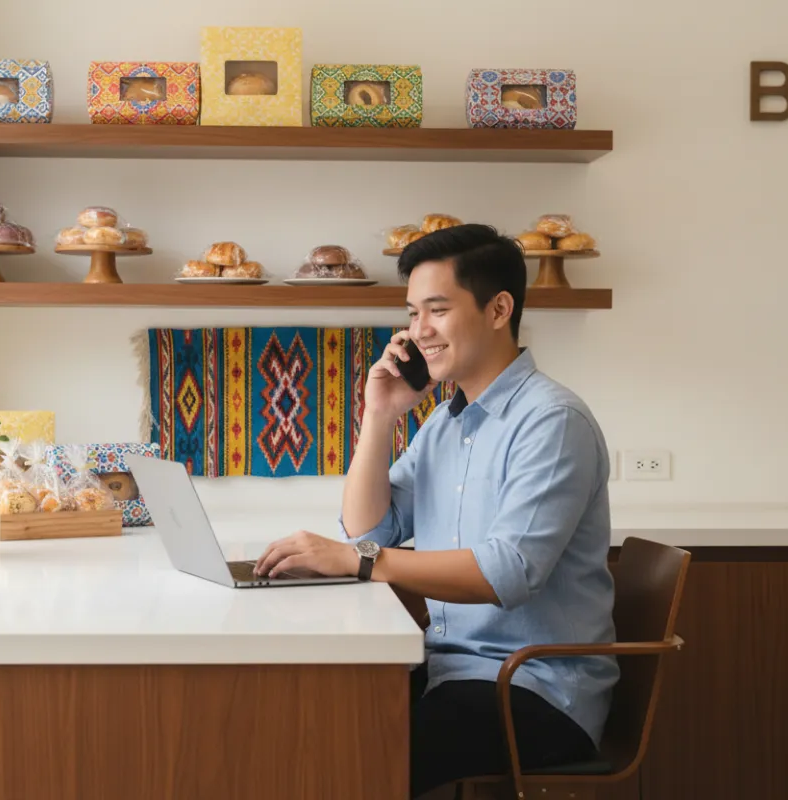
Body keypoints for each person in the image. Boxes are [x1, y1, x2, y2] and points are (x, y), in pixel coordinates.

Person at [254, 223, 618, 798]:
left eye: (437, 310)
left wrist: (361, 561)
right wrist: (379, 416)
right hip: (454, 671)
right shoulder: (448, 423)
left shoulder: (552, 420)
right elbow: (370, 526)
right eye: (412, 313)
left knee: (351, 753)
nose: (418, 331)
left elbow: (508, 571)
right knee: (306, 719)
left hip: (533, 687)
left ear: (499, 309)